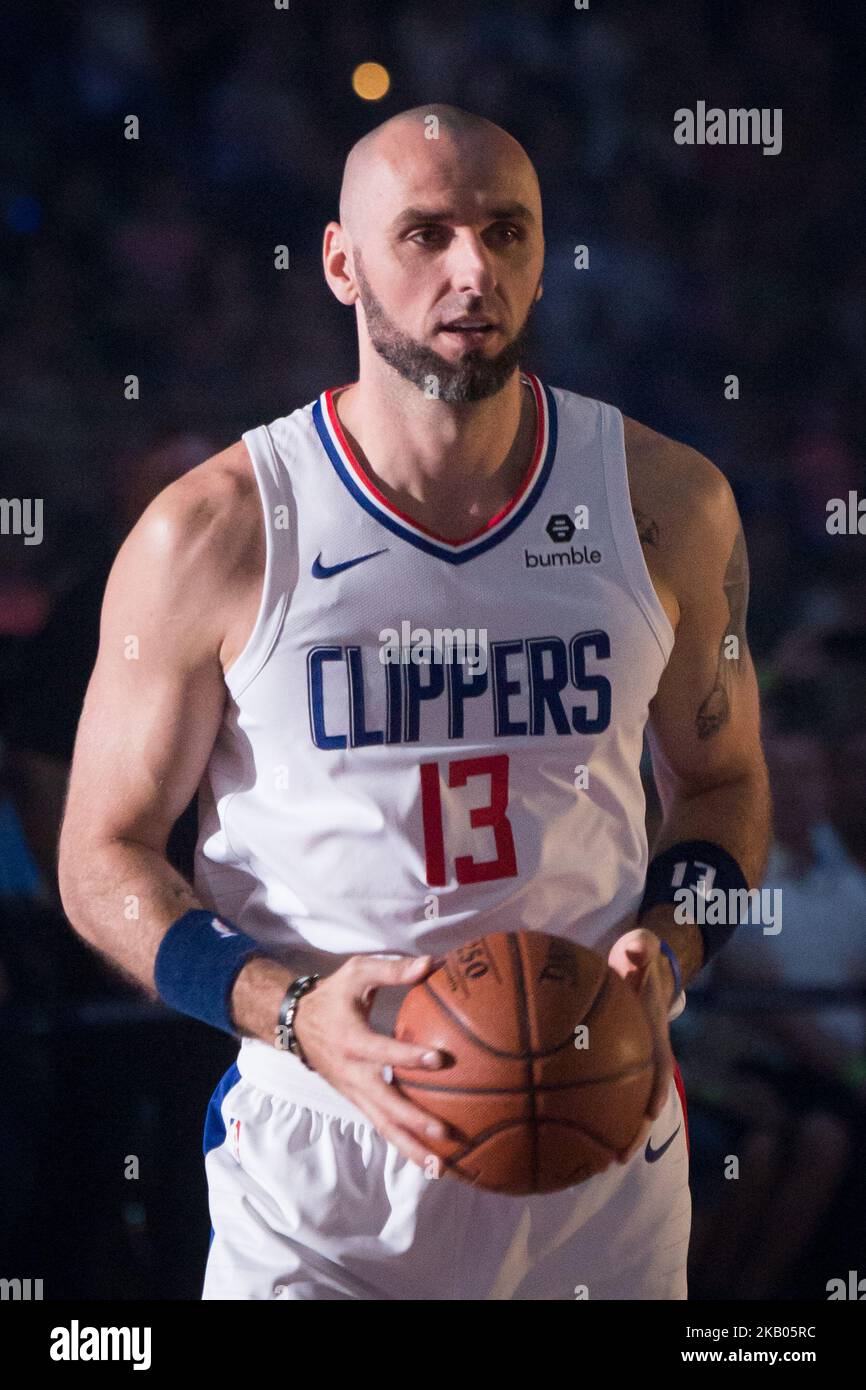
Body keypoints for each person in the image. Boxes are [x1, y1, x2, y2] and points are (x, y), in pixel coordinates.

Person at [58, 104, 770, 1301]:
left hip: (599, 1132)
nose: (470, 269)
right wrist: (287, 1010)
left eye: (505, 231)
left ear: (540, 255)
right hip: (320, 1153)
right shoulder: (213, 531)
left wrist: (674, 947)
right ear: (340, 263)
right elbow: (101, 854)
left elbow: (725, 782)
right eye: (425, 234)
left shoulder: (666, 503)